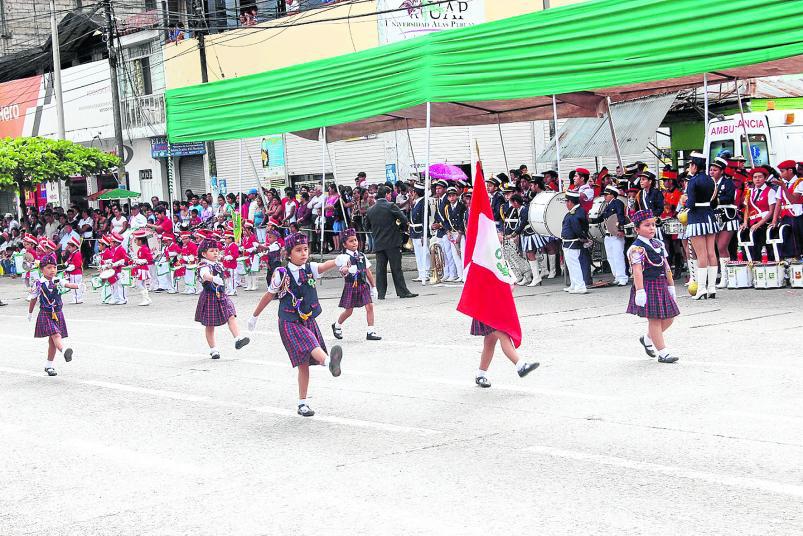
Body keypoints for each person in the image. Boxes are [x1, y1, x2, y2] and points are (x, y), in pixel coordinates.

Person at [248, 233, 345, 417]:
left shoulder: (309, 268)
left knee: (304, 364)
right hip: (289, 320)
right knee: (310, 342)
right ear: (288, 254)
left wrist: (337, 261)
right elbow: (269, 295)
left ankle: (302, 403)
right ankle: (329, 363)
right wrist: (255, 316)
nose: (303, 253)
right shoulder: (281, 274)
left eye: (306, 249)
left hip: (307, 318)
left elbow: (323, 266)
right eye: (298, 250)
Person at [626, 209, 680, 363]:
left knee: (670, 317)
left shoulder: (658, 244)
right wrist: (640, 291)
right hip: (648, 285)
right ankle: (663, 353)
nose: (651, 228)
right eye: (646, 225)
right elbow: (637, 271)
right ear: (637, 229)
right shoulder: (636, 248)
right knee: (655, 320)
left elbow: (667, 266)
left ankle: (647, 339)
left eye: (653, 225)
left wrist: (671, 286)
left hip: (661, 284)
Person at [194, 239, 250, 360]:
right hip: (210, 296)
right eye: (212, 251)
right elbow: (205, 275)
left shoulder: (218, 264)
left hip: (222, 294)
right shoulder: (203, 265)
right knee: (210, 325)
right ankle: (213, 349)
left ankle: (238, 338)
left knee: (231, 315)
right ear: (204, 254)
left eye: (217, 251)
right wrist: (213, 278)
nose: (215, 253)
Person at [27, 255, 78, 376]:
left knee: (52, 341)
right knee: (56, 334)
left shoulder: (58, 280)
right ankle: (64, 350)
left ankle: (48, 366)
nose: (52, 270)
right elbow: (33, 299)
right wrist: (30, 313)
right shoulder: (38, 283)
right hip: (46, 313)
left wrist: (78, 286)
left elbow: (68, 284)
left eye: (54, 267)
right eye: (49, 267)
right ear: (42, 270)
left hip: (58, 313)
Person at [365, 185, 418, 300]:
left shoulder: (370, 210)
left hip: (379, 243)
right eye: (389, 194)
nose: (390, 196)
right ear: (387, 195)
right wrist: (400, 228)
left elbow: (366, 226)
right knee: (396, 268)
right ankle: (402, 291)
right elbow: (403, 219)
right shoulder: (390, 206)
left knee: (380, 270)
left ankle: (381, 293)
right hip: (393, 242)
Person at [331, 228, 380, 341]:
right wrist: (346, 270)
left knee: (370, 306)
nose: (355, 243)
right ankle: (337, 325)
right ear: (344, 244)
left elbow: (368, 271)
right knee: (349, 311)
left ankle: (370, 331)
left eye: (356, 240)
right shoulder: (343, 257)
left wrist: (373, 287)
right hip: (351, 286)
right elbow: (342, 270)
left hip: (363, 285)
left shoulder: (362, 255)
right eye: (351, 241)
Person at [683, 152, 719, 299]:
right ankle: (711, 287)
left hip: (697, 217)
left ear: (695, 166)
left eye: (691, 165)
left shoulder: (693, 181)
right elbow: (714, 201)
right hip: (709, 216)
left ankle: (702, 288)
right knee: (711, 252)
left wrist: (684, 201)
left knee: (701, 254)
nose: (689, 168)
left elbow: (690, 203)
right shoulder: (711, 180)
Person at [470, 320, 539, 389]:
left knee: (490, 340)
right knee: (502, 335)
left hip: (493, 312)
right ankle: (521, 366)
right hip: (485, 311)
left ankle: (480, 375)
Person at [588, 185, 629, 286]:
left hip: (616, 234)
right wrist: (590, 220)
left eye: (607, 195)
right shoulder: (608, 205)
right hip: (608, 234)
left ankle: (622, 277)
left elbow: (620, 216)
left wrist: (620, 229)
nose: (605, 197)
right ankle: (616, 276)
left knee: (618, 256)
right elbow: (601, 218)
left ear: (613, 195)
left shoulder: (617, 203)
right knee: (611, 257)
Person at [712, 159, 738, 288]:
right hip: (715, 217)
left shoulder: (728, 183)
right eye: (711, 169)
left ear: (722, 171)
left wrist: (714, 199)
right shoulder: (709, 183)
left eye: (715, 170)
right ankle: (723, 275)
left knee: (722, 246)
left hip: (728, 216)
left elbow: (729, 197)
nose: (712, 172)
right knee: (718, 247)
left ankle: (726, 277)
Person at [561, 191, 589, 294]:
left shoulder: (576, 212)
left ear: (570, 202)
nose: (566, 204)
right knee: (571, 265)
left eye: (566, 202)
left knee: (575, 265)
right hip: (569, 242)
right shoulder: (575, 211)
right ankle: (574, 284)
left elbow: (578, 228)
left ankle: (580, 286)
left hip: (573, 242)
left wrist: (583, 238)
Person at [408, 182, 430, 283]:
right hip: (414, 231)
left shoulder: (423, 203)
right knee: (418, 254)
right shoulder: (416, 202)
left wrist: (423, 235)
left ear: (416, 193)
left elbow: (424, 220)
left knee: (423, 253)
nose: (412, 193)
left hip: (420, 231)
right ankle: (421, 273)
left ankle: (426, 273)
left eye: (413, 192)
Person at [131, 230, 153, 306]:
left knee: (139, 284)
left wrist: (140, 261)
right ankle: (147, 298)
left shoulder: (144, 248)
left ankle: (146, 299)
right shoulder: (141, 248)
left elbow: (149, 258)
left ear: (140, 241)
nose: (135, 242)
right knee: (142, 284)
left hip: (143, 269)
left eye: (136, 240)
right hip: (141, 268)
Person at [63, 236, 84, 304]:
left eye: (70, 247)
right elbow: (68, 261)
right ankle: (75, 298)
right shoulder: (73, 254)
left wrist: (67, 269)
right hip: (73, 273)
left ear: (74, 247)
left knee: (76, 286)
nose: (68, 249)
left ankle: (78, 299)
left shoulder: (77, 254)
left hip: (76, 273)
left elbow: (76, 265)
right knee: (73, 286)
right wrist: (65, 265)